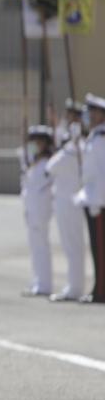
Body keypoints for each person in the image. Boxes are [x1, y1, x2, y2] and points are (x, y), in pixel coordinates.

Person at [47, 104, 86, 302]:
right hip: (67, 202)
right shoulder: (74, 146)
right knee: (70, 247)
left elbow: (50, 166)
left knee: (73, 247)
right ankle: (73, 285)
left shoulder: (75, 148)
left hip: (70, 203)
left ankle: (75, 287)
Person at [74, 93, 105, 304]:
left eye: (93, 112)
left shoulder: (101, 138)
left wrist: (98, 200)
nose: (89, 116)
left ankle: (101, 291)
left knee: (101, 248)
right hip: (93, 199)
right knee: (96, 247)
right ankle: (98, 287)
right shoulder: (94, 137)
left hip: (99, 202)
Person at [19, 126, 55, 297]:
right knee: (35, 247)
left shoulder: (47, 163)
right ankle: (38, 280)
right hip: (31, 210)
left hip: (40, 210)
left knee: (41, 247)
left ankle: (44, 284)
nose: (34, 145)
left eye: (38, 142)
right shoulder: (33, 162)